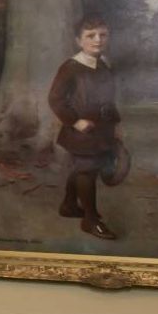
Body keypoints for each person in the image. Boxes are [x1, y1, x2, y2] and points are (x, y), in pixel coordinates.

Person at [47, 17, 121, 240]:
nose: (97, 40)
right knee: (87, 170)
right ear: (79, 40)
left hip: (102, 129)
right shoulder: (71, 68)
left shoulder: (104, 64)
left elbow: (108, 99)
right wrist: (75, 121)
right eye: (90, 36)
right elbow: (56, 99)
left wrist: (116, 125)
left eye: (102, 35)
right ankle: (90, 220)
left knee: (87, 167)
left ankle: (69, 205)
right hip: (81, 130)